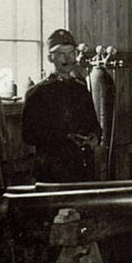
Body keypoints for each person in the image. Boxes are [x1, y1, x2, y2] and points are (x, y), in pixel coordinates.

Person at [21, 28, 101, 184]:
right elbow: (28, 135)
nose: (68, 59)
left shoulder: (81, 90)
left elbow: (95, 125)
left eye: (71, 53)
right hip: (51, 171)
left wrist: (95, 136)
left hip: (81, 170)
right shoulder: (37, 93)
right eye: (61, 54)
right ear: (50, 58)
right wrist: (64, 138)